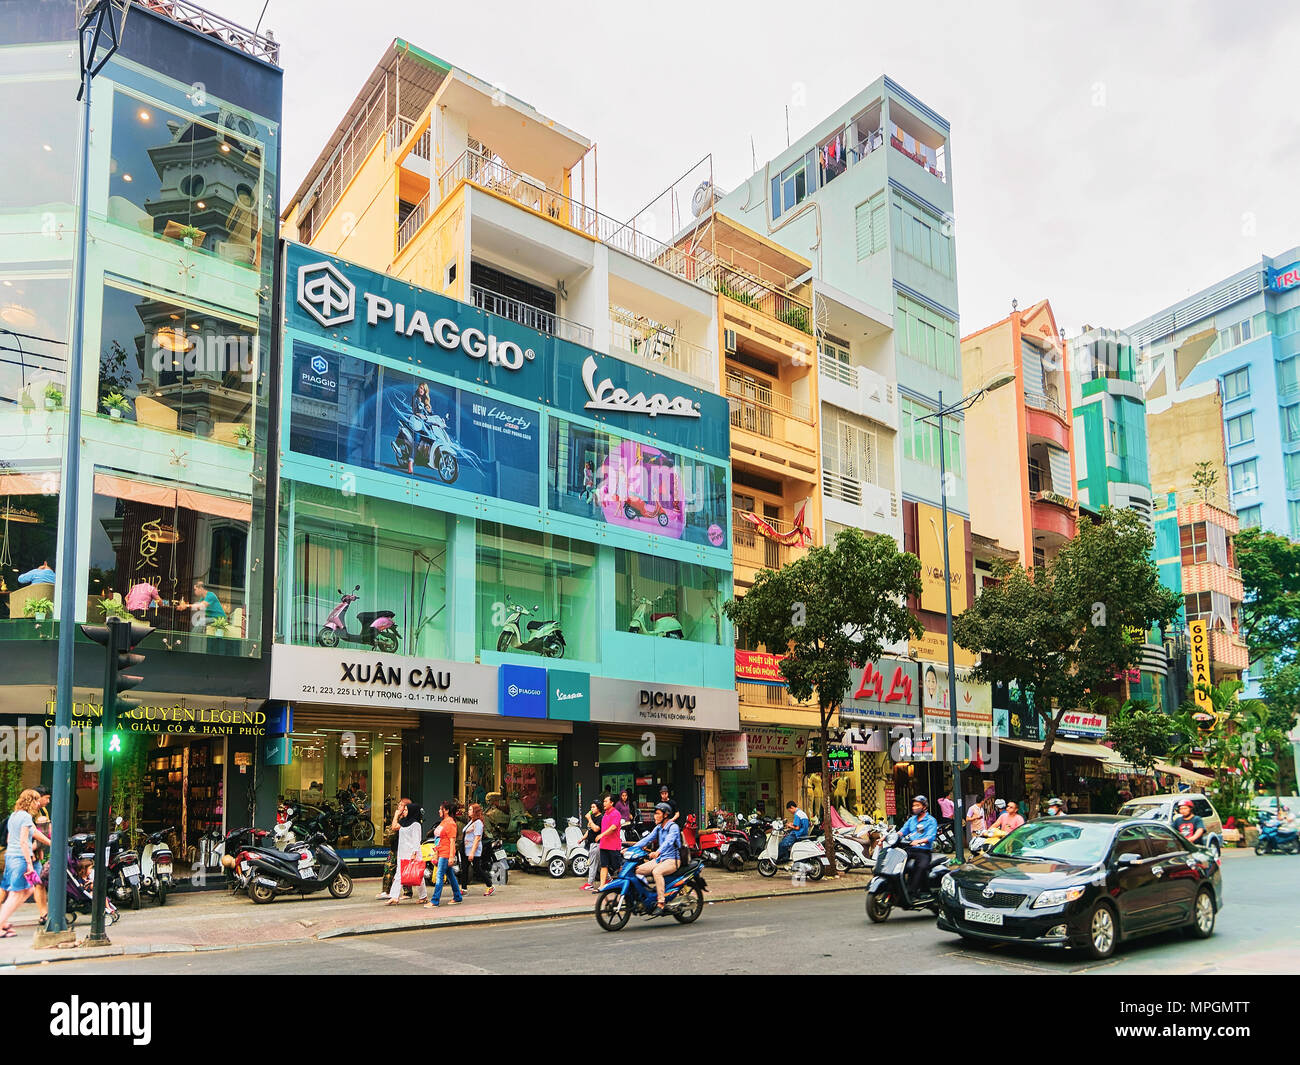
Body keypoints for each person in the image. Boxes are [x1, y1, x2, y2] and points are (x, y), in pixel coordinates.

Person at [0, 789, 43, 936]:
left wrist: (50, 842)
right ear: (30, 801)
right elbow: (24, 842)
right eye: (36, 800)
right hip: (20, 858)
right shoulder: (25, 817)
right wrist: (29, 863)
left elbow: (9, 839)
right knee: (16, 894)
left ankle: (3, 920)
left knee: (29, 890)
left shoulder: (14, 815)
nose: (39, 803)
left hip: (11, 857)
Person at [634, 802, 683, 916]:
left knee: (657, 872)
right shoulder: (658, 828)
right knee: (636, 870)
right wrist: (631, 849)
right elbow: (646, 839)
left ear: (665, 815)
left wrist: (658, 852)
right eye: (654, 813)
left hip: (673, 860)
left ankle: (661, 902)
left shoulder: (673, 827)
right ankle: (646, 897)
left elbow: (669, 842)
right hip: (661, 859)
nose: (655, 816)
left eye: (657, 814)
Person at [385, 799, 427, 905]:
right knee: (399, 874)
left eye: (407, 810)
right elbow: (394, 827)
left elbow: (416, 840)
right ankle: (394, 896)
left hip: (412, 853)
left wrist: (414, 854)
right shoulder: (404, 822)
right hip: (402, 853)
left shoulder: (415, 824)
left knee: (418, 875)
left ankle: (423, 896)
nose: (404, 811)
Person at [899, 796, 938, 899]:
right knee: (898, 863)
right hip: (909, 849)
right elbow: (903, 831)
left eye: (917, 805)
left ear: (924, 807)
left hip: (923, 851)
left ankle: (912, 892)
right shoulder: (911, 820)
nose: (914, 807)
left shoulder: (931, 821)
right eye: (913, 805)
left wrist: (918, 841)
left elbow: (930, 837)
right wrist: (890, 836)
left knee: (921, 867)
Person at [426, 801, 463, 907]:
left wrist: (451, 856)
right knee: (450, 875)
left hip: (445, 853)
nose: (439, 811)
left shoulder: (451, 823)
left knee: (439, 876)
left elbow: (452, 841)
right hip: (441, 851)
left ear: (446, 810)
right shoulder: (444, 822)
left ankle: (435, 901)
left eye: (440, 809)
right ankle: (457, 897)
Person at [463, 802, 494, 897]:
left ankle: (490, 885)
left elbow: (477, 838)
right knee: (464, 869)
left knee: (477, 869)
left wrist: (472, 852)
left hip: (473, 850)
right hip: (466, 849)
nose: (468, 811)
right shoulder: (471, 821)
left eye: (470, 810)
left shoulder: (478, 823)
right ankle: (463, 889)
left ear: (475, 812)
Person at [31, 785, 52, 923]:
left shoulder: (42, 811)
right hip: (25, 854)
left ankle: (44, 914)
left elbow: (44, 831)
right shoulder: (27, 814)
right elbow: (34, 833)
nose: (48, 801)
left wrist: (40, 851)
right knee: (13, 890)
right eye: (47, 798)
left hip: (35, 853)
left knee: (39, 884)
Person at [595, 793, 623, 889]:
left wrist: (601, 835)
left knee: (618, 867)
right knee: (604, 866)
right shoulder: (605, 815)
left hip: (613, 846)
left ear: (611, 803)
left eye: (606, 801)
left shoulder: (616, 813)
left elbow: (613, 827)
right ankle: (602, 886)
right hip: (604, 845)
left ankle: (624, 883)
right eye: (603, 801)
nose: (604, 803)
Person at [580, 799, 602, 892]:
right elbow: (590, 830)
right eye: (591, 807)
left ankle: (590, 884)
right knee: (600, 864)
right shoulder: (592, 817)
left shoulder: (601, 818)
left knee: (592, 864)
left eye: (593, 807)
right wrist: (582, 838)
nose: (591, 809)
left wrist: (589, 819)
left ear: (598, 808)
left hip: (597, 844)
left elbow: (596, 829)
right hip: (592, 843)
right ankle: (608, 879)